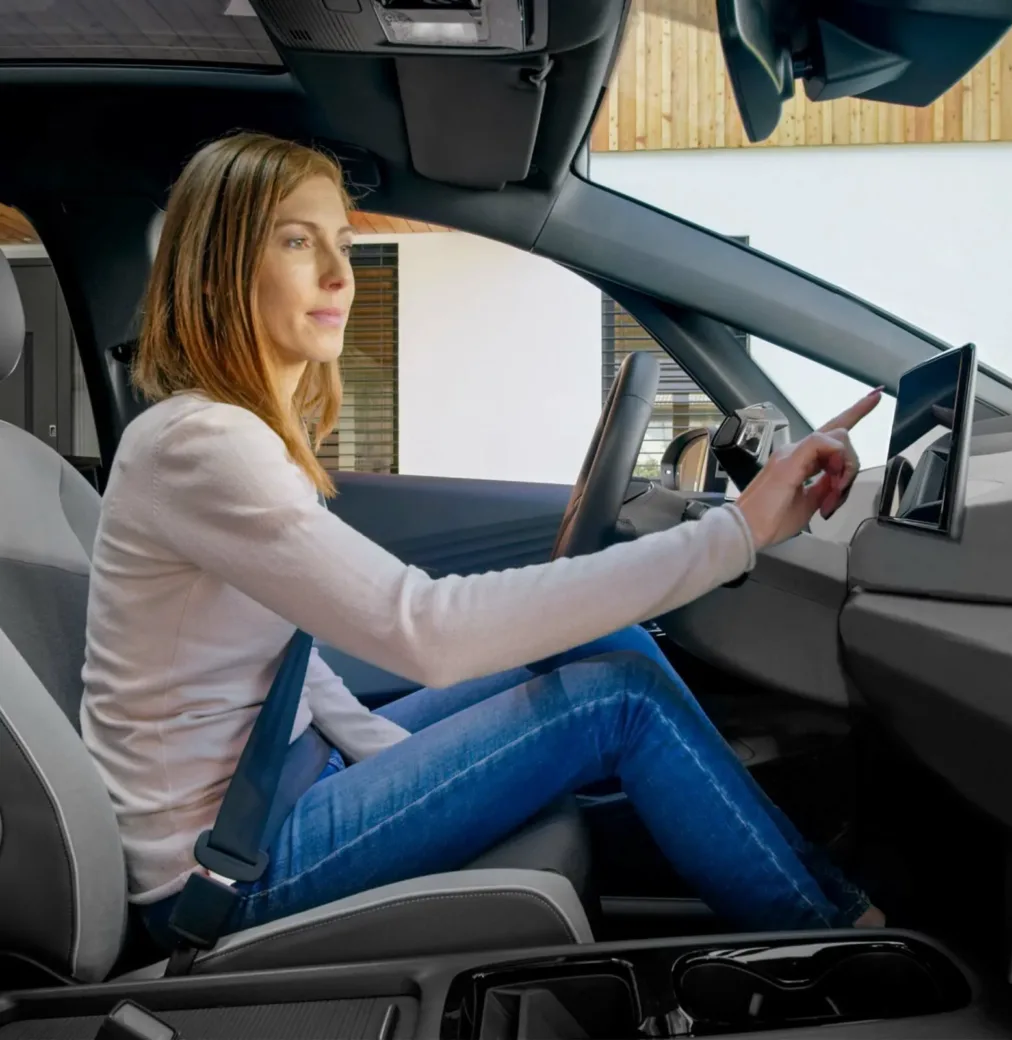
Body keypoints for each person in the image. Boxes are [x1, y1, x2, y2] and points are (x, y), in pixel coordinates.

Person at [80, 131, 885, 953]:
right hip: (224, 867)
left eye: (343, 243)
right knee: (620, 703)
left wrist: (407, 759)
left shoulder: (236, 437)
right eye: (295, 240)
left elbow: (286, 654)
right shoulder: (198, 445)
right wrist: (738, 531)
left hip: (285, 779)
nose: (338, 273)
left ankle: (836, 905)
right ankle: (838, 953)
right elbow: (426, 632)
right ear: (219, 269)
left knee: (606, 642)